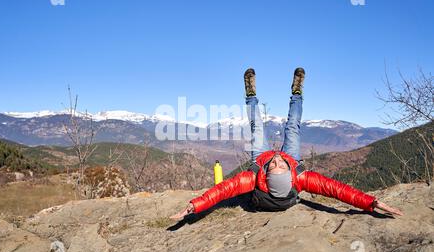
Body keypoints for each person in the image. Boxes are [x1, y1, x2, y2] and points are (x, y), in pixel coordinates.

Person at [170, 68, 403, 220]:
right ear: (291, 175)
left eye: (274, 166)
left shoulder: (254, 175)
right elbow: (338, 191)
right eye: (281, 165)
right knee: (293, 125)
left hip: (257, 157)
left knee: (256, 126)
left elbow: (222, 191)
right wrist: (372, 203)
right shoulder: (299, 175)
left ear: (265, 174)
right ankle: (297, 93)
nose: (277, 159)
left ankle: (250, 95)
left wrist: (193, 206)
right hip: (295, 161)